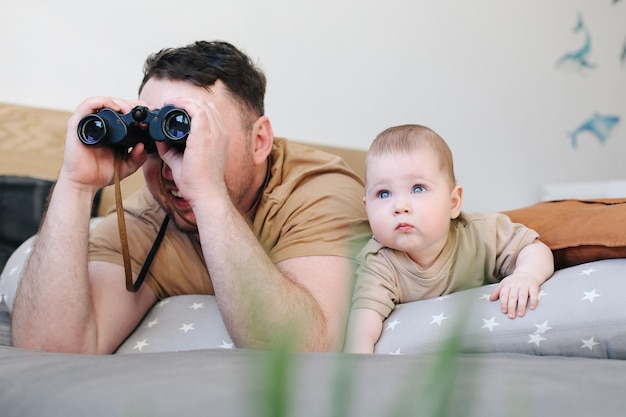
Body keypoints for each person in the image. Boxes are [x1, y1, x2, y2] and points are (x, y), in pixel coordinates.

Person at [11, 40, 371, 354]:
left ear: (259, 140)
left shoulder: (319, 189)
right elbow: (51, 346)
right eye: (157, 138)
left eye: (195, 136)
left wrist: (208, 194)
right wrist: (75, 185)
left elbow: (303, 349)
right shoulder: (149, 215)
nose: (172, 169)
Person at [343, 124, 554, 354]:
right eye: (383, 194)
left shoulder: (478, 232)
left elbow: (533, 248)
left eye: (418, 188)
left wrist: (525, 274)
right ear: (367, 208)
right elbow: (362, 329)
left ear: (453, 203)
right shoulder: (378, 262)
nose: (399, 206)